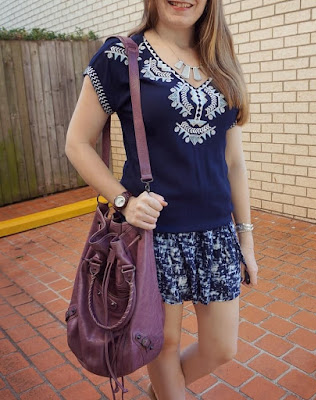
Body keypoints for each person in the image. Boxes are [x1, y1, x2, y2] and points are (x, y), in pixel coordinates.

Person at [65, 1, 258, 399]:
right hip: (154, 236)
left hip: (217, 234)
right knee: (163, 345)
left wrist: (247, 240)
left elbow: (234, 162)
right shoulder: (120, 56)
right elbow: (77, 143)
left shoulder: (221, 59)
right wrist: (123, 200)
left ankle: (162, 392)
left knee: (222, 347)